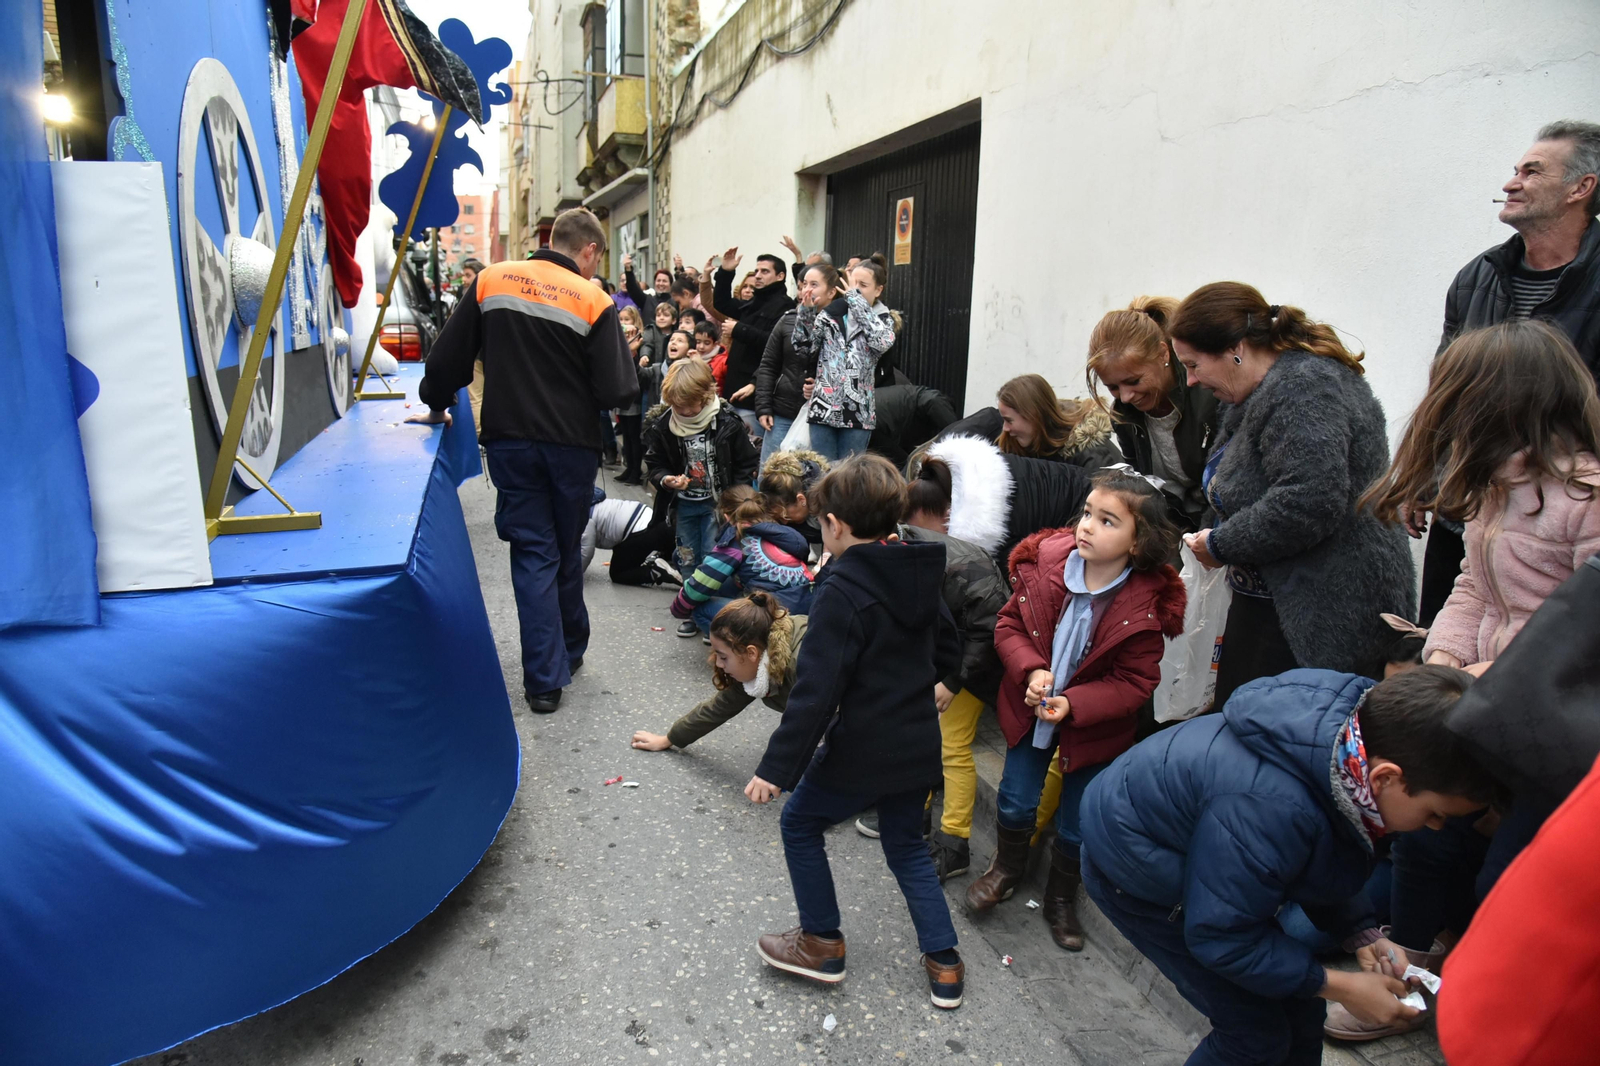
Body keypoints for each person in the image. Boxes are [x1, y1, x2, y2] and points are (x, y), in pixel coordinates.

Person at [1078, 665, 1495, 1065]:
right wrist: (1342, 986)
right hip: (1136, 874)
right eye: (1435, 813)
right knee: (1254, 1036)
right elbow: (1221, 936)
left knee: (1302, 1010)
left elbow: (1326, 854)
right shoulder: (1274, 809)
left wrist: (1361, 934)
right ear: (1385, 778)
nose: (1437, 828)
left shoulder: (1352, 744)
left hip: (1205, 865)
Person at [743, 455, 966, 1009]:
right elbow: (949, 646)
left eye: (821, 524)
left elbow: (818, 691)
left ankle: (820, 942)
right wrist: (939, 683)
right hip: (917, 742)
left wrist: (776, 769)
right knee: (907, 846)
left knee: (799, 823)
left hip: (862, 747)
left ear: (836, 525)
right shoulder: (916, 567)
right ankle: (944, 964)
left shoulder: (842, 588)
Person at [409, 207, 633, 714]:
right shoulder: (594, 299)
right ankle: (570, 650)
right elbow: (617, 389)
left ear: (551, 238)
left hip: (511, 442)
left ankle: (544, 680)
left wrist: (437, 405)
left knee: (534, 550)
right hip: (573, 447)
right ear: (590, 250)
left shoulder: (492, 281)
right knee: (566, 540)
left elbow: (448, 360)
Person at [967, 471, 1185, 952]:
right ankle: (1006, 868)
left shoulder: (1142, 604)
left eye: (1107, 521)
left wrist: (1074, 704)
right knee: (1016, 797)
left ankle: (1061, 896)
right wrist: (1030, 671)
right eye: (1088, 513)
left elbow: (1136, 681)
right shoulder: (1047, 567)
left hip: (1094, 732)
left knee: (1079, 820)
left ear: (1137, 542)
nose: (1087, 525)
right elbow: (1009, 626)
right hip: (1031, 715)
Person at [1170, 282, 1414, 709]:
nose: (1190, 380)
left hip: (1324, 614)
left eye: (1193, 364)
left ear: (1236, 349)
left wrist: (1221, 544)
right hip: (1275, 609)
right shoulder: (1251, 391)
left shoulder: (1304, 388)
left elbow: (1308, 500)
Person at [1419, 120, 1600, 626]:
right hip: (1466, 509)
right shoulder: (1478, 275)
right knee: (1442, 654)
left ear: (1580, 188)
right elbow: (1446, 390)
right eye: (1514, 170)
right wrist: (1426, 475)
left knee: (1533, 669)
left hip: (1557, 528)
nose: (1510, 182)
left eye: (1531, 171)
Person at [1363, 319, 1600, 671]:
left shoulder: (1586, 502)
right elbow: (1478, 587)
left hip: (1548, 701)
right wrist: (1445, 656)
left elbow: (1589, 637)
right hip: (1496, 694)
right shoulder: (1496, 488)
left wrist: (1500, 678)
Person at [899, 463, 1011, 882]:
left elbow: (989, 630)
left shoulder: (961, 564)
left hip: (975, 666)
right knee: (928, 739)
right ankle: (919, 826)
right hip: (951, 660)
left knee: (950, 745)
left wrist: (953, 680)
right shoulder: (914, 552)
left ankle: (954, 843)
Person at [642, 358, 760, 635]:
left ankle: (716, 615)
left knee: (712, 559)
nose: (681, 412)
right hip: (683, 505)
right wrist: (665, 479)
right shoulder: (665, 426)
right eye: (676, 407)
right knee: (686, 557)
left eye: (687, 407)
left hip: (717, 506)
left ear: (706, 396)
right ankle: (693, 610)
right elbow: (655, 463)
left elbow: (746, 462)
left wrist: (735, 498)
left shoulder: (727, 422)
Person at [1087, 296, 1220, 532]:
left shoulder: (1209, 396)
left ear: (1163, 354)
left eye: (1133, 381)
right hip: (1176, 527)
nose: (1126, 397)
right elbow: (1143, 487)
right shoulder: (1125, 416)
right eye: (1113, 387)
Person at [631, 592, 809, 752]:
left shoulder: (801, 667)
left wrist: (771, 774)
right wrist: (669, 739)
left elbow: (817, 719)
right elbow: (721, 706)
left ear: (751, 652)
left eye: (723, 657)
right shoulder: (761, 655)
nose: (718, 664)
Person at [909, 440, 1096, 563]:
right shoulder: (970, 475)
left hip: (1092, 518)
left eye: (928, 534)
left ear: (949, 515)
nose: (925, 542)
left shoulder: (997, 535)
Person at [669, 486, 813, 640]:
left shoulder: (736, 540)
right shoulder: (779, 532)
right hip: (805, 610)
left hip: (773, 618)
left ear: (726, 516)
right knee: (724, 583)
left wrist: (679, 609)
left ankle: (736, 652)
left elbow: (698, 587)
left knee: (700, 610)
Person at [794, 259, 896, 462]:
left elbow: (882, 343)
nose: (855, 290)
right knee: (822, 474)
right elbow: (803, 349)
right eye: (852, 284)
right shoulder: (830, 315)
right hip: (823, 410)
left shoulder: (883, 321)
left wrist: (856, 301)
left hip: (857, 414)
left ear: (878, 290)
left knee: (848, 477)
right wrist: (805, 314)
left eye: (863, 286)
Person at [713, 248, 796, 443]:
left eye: (765, 271)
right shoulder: (754, 302)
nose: (758, 276)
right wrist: (726, 271)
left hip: (755, 394)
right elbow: (721, 303)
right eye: (757, 271)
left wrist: (739, 329)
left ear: (780, 276)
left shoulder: (784, 306)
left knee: (752, 449)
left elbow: (775, 343)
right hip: (734, 389)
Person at [995, 374, 1122, 470]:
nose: (1005, 428)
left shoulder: (1093, 455)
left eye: (1009, 420)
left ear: (1033, 415)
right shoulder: (1018, 445)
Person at [580, 490, 680, 587]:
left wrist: (569, 576)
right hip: (649, 519)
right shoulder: (583, 500)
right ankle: (668, 558)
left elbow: (586, 552)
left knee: (618, 574)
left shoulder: (580, 516)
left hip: (641, 530)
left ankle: (656, 571)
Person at [754, 301, 809, 469]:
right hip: (782, 411)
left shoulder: (837, 322)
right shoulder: (788, 319)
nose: (807, 290)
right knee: (769, 473)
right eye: (803, 285)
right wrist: (763, 406)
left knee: (809, 476)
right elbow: (768, 365)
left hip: (815, 416)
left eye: (814, 285)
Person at [869, 385, 959, 470]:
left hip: (869, 417)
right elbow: (955, 431)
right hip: (874, 420)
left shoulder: (913, 401)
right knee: (907, 464)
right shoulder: (935, 400)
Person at [758, 449, 828, 553]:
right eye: (779, 518)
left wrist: (826, 557)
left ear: (801, 499)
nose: (785, 522)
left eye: (786, 516)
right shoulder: (778, 498)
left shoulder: (830, 496)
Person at [615, 306, 647, 484]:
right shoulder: (617, 339)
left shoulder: (640, 340)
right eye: (621, 319)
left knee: (634, 435)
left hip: (634, 395)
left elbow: (639, 370)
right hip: (621, 392)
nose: (624, 323)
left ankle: (636, 470)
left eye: (627, 319)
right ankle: (629, 468)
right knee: (626, 434)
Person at [691, 319, 729, 391]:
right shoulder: (692, 357)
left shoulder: (723, 361)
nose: (701, 347)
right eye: (698, 342)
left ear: (715, 344)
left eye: (707, 343)